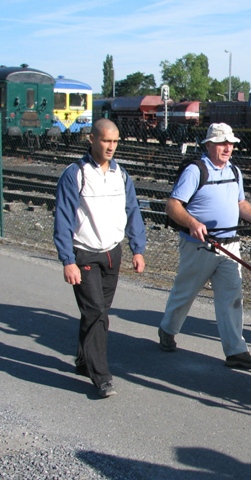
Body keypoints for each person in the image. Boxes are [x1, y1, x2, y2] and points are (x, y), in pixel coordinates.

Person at [158, 123, 251, 369]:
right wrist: (193, 223)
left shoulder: (234, 171)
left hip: (230, 245)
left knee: (232, 298)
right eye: (221, 143)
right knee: (185, 291)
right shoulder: (195, 171)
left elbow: (240, 203)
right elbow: (173, 205)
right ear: (208, 145)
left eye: (230, 143)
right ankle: (168, 330)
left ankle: (236, 351)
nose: (227, 148)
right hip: (199, 246)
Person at [53, 118, 146, 398]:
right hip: (85, 253)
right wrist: (67, 259)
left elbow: (133, 211)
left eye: (115, 141)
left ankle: (84, 361)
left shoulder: (121, 174)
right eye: (106, 140)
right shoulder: (76, 174)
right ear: (91, 139)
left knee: (98, 311)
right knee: (97, 313)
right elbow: (63, 219)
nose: (111, 146)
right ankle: (101, 376)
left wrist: (137, 249)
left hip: (112, 253)